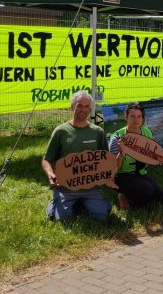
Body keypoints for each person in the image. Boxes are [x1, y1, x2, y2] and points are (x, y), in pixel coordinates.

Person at [42, 90, 111, 222]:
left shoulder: (97, 132)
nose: (83, 109)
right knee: (61, 220)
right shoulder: (61, 131)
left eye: (86, 106)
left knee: (102, 216)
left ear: (90, 109)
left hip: (91, 186)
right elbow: (46, 159)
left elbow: (105, 160)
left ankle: (89, 203)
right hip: (66, 187)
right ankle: (55, 203)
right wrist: (50, 173)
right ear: (72, 107)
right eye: (79, 105)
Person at [109, 103, 163, 210]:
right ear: (126, 117)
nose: (136, 120)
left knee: (162, 199)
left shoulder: (146, 132)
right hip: (122, 176)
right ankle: (123, 196)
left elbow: (150, 154)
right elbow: (113, 169)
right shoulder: (117, 138)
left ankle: (136, 191)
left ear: (142, 118)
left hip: (141, 173)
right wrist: (122, 152)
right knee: (146, 192)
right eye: (132, 116)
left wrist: (158, 158)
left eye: (139, 116)